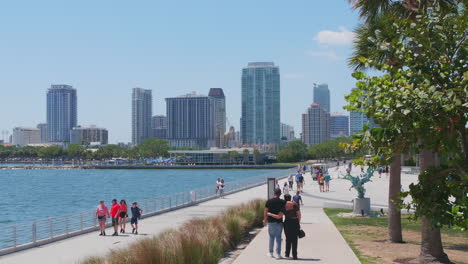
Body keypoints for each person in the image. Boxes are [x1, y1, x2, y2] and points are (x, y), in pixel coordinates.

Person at [268, 194, 302, 260]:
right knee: (295, 239)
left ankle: (287, 254)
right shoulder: (295, 205)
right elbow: (299, 215)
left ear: (284, 199)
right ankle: (295, 255)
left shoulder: (284, 206)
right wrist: (298, 222)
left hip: (287, 223)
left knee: (288, 238)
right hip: (295, 222)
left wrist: (270, 214)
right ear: (290, 198)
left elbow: (279, 216)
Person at [264, 188, 286, 259]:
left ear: (274, 193)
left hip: (271, 222)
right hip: (279, 222)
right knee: (278, 238)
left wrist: (265, 220)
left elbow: (266, 212)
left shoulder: (269, 201)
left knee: (271, 237)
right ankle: (278, 254)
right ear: (280, 194)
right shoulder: (283, 202)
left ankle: (271, 253)